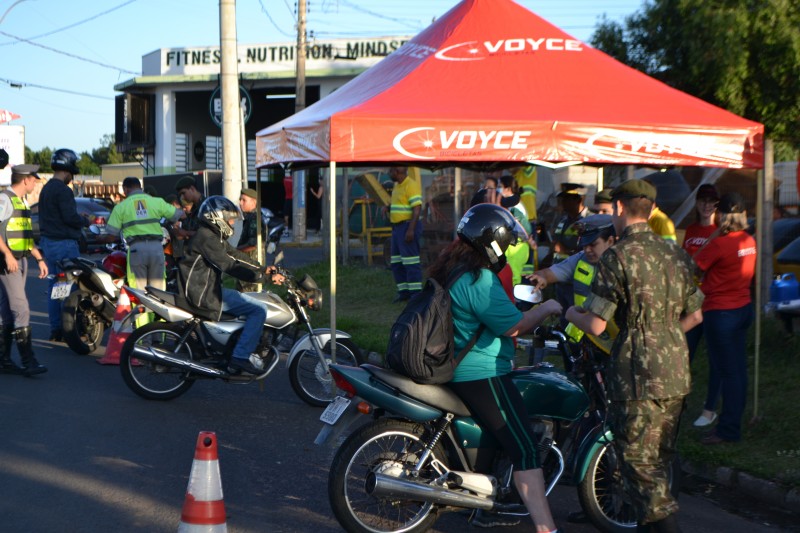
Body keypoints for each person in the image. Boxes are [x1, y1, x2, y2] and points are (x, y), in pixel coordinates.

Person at [565, 180, 703, 532]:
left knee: (637, 466)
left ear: (620, 209)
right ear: (653, 209)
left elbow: (596, 324)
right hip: (675, 372)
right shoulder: (676, 252)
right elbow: (696, 315)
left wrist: (568, 312)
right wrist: (665, 337)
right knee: (657, 463)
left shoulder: (618, 256)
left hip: (637, 376)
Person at [427, 203, 563, 532]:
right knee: (525, 448)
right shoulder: (479, 279)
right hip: (481, 372)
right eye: (506, 241)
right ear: (493, 241)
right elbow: (514, 327)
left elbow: (496, 314)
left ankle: (482, 505)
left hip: (457, 367)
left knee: (497, 437)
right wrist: (547, 307)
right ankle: (547, 528)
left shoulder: (452, 268)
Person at [176, 196, 284, 376]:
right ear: (217, 218)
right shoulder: (207, 237)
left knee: (246, 299)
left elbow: (234, 255)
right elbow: (229, 265)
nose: (233, 223)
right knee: (258, 311)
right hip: (203, 293)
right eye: (230, 219)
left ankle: (235, 346)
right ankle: (240, 357)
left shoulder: (210, 235)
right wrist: (263, 278)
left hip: (205, 288)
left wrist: (264, 269)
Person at [691, 193, 756, 445]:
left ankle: (728, 430)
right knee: (738, 371)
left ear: (722, 215)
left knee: (728, 373)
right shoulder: (748, 239)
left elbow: (695, 265)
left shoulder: (720, 243)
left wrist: (713, 236)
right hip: (742, 309)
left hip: (721, 312)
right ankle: (732, 423)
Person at [528, 214, 618, 354]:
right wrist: (542, 278)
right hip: (585, 341)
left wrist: (570, 313)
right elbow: (552, 272)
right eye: (585, 244)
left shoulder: (625, 266)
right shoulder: (581, 260)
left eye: (593, 244)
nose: (587, 250)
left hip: (616, 344)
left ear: (610, 241)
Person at [38, 148, 91, 342]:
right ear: (67, 169)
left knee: (55, 287)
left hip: (49, 244)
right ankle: (72, 330)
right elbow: (69, 218)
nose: (72, 176)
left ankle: (56, 329)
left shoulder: (46, 189)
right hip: (65, 245)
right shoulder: (63, 190)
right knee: (71, 289)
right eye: (72, 173)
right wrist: (85, 220)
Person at [0, 165, 49, 376]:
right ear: (25, 180)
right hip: (8, 261)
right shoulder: (4, 199)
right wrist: (7, 255)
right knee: (22, 308)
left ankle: (3, 360)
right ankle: (29, 362)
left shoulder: (21, 202)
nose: (36, 183)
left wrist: (39, 259)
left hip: (20, 261)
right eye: (34, 180)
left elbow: (25, 237)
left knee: (7, 312)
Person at [102, 177, 183, 291]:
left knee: (139, 290)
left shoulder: (121, 207)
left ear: (125, 189)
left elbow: (111, 236)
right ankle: (157, 308)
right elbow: (180, 215)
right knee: (158, 289)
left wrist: (99, 238)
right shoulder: (157, 201)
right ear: (140, 187)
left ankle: (141, 308)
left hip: (136, 250)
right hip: (156, 249)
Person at [682, 184, 719, 402]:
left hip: (712, 301)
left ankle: (712, 402)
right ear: (696, 203)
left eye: (711, 201)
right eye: (703, 200)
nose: (706, 205)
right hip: (690, 300)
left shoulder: (721, 231)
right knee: (685, 351)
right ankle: (681, 395)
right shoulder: (691, 230)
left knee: (715, 356)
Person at [550, 183, 589, 314]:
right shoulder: (563, 220)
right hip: (560, 276)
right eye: (563, 198)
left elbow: (590, 249)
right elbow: (556, 243)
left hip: (577, 277)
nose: (563, 202)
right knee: (562, 313)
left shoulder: (589, 220)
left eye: (567, 198)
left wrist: (565, 250)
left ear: (579, 200)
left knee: (576, 314)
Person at [387, 166, 422, 302]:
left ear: (397, 171)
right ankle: (404, 293)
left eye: (390, 170)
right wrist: (388, 208)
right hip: (397, 229)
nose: (389, 173)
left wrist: (411, 229)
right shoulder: (397, 186)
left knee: (411, 261)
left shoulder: (411, 185)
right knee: (396, 262)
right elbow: (399, 205)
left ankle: (415, 294)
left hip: (407, 227)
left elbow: (417, 209)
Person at [237, 188, 266, 292]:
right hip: (249, 267)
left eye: (244, 200)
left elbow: (253, 244)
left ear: (254, 202)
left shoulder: (254, 218)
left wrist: (235, 251)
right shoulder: (251, 217)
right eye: (240, 200)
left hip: (251, 268)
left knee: (247, 300)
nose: (240, 203)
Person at [174, 176, 204, 241]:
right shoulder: (193, 209)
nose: (182, 197)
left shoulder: (206, 206)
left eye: (183, 193)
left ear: (192, 189)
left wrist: (185, 233)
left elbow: (208, 235)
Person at [283, 172, 293, 238]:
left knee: (286, 216)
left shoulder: (285, 179)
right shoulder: (296, 181)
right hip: (295, 200)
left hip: (287, 199)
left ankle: (286, 231)